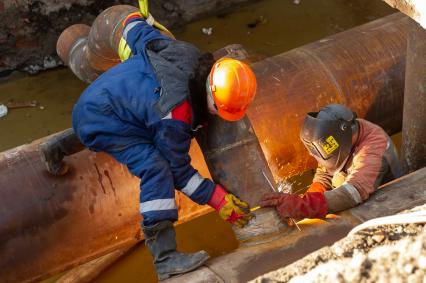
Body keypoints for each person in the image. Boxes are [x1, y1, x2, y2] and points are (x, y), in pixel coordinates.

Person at [42, 12, 256, 280]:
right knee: (157, 168)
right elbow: (178, 171)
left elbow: (141, 34)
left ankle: (57, 147)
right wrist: (217, 198)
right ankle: (165, 258)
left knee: (124, 123)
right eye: (218, 110)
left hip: (104, 101)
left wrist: (133, 17)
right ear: (211, 93)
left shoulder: (185, 53)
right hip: (105, 116)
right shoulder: (177, 114)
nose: (216, 116)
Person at [260, 104, 402, 222]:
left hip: (389, 209)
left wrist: (304, 206)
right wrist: (306, 197)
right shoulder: (337, 137)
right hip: (359, 203)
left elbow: (353, 192)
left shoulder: (374, 146)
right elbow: (326, 173)